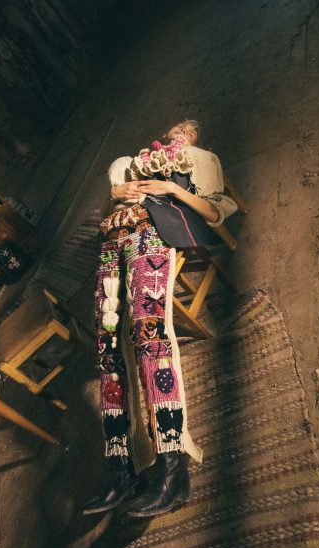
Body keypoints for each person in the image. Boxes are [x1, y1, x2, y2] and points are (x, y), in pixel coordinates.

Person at [82, 120, 237, 518]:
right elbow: (113, 196)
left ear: (196, 137)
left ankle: (172, 465)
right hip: (112, 239)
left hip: (151, 233)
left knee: (149, 334)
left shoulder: (200, 158)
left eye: (189, 129)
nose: (181, 131)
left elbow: (215, 212)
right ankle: (121, 469)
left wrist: (172, 189)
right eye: (176, 128)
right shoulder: (134, 162)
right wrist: (116, 192)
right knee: (106, 348)